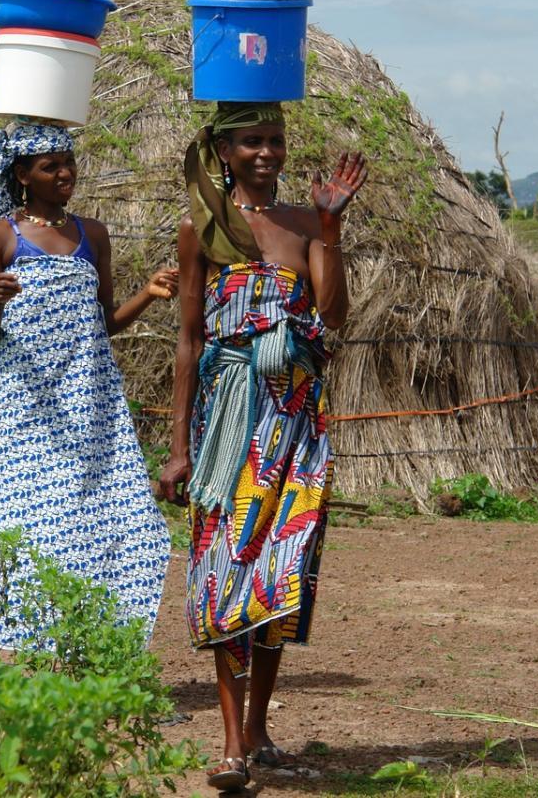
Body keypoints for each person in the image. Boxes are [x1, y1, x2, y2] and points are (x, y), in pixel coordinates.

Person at [159, 102, 366, 792]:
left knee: (280, 575)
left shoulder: (307, 226)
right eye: (252, 141)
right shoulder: (203, 232)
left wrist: (331, 224)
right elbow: (190, 341)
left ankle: (256, 729)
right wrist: (178, 446)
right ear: (223, 150)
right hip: (228, 430)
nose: (266, 153)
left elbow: (332, 315)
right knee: (225, 573)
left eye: (275, 140)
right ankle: (228, 746)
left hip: (298, 426)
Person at [0, 120, 179, 652]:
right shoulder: (1, 235)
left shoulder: (93, 234)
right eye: (50, 166)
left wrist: (149, 294)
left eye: (68, 162)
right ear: (22, 174)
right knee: (29, 519)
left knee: (110, 512)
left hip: (91, 400)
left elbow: (103, 321)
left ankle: (101, 646)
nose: (65, 174)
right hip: (29, 405)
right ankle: (26, 645)